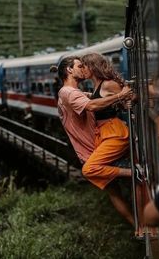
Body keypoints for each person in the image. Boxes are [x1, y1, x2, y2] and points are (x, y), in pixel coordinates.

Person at [53, 55, 137, 226]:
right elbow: (92, 106)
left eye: (84, 65)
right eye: (79, 65)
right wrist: (120, 96)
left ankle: (138, 226)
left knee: (115, 193)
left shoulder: (71, 93)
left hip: (95, 145)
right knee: (100, 178)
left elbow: (92, 99)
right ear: (70, 70)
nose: (83, 68)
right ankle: (135, 175)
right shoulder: (69, 92)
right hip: (95, 145)